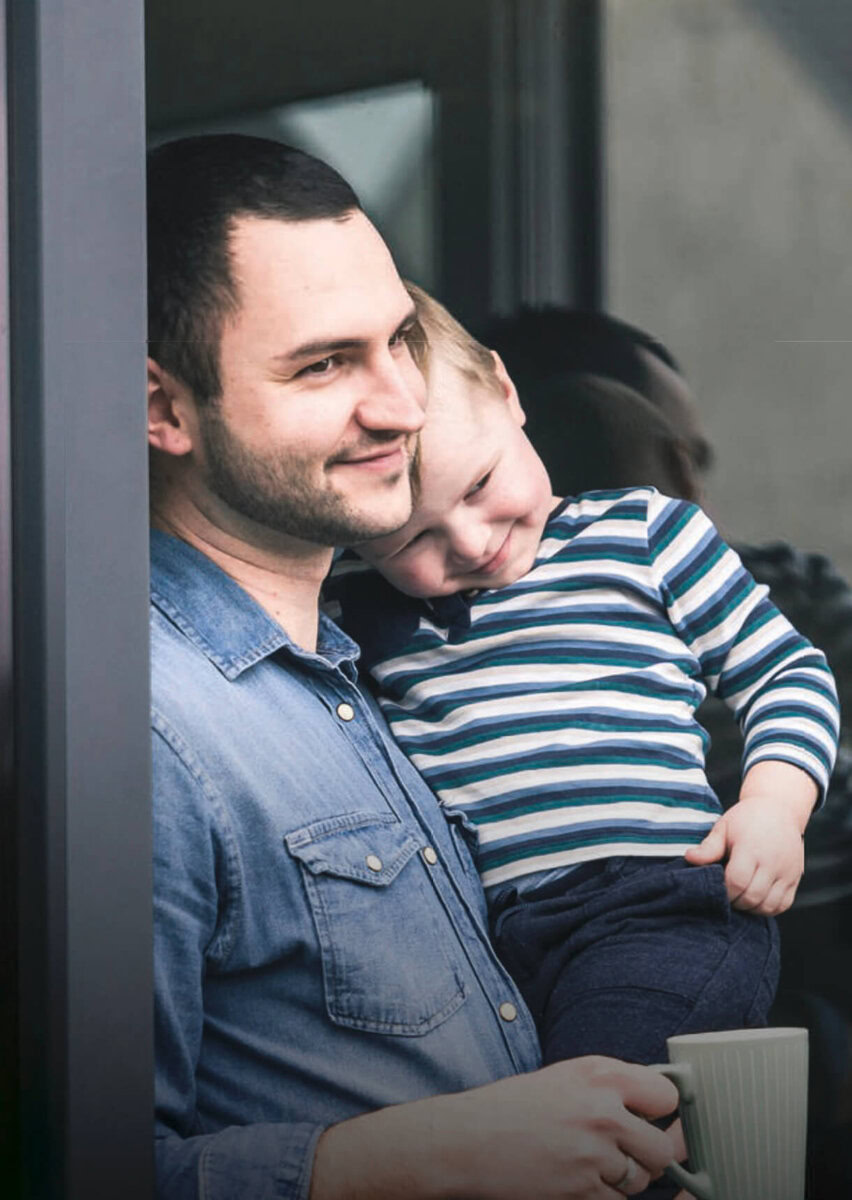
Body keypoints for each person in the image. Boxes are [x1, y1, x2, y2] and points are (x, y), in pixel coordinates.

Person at [147, 134, 686, 1200]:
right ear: (162, 408)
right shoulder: (151, 729)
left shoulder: (366, 666)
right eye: (325, 364)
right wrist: (430, 1158)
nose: (401, 404)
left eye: (399, 339)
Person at [325, 287, 839, 1083]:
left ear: (506, 393)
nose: (468, 540)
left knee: (601, 1096)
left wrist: (774, 806)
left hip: (658, 907)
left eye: (478, 485)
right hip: (484, 945)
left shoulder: (644, 535)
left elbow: (785, 670)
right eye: (413, 535)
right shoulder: (358, 609)